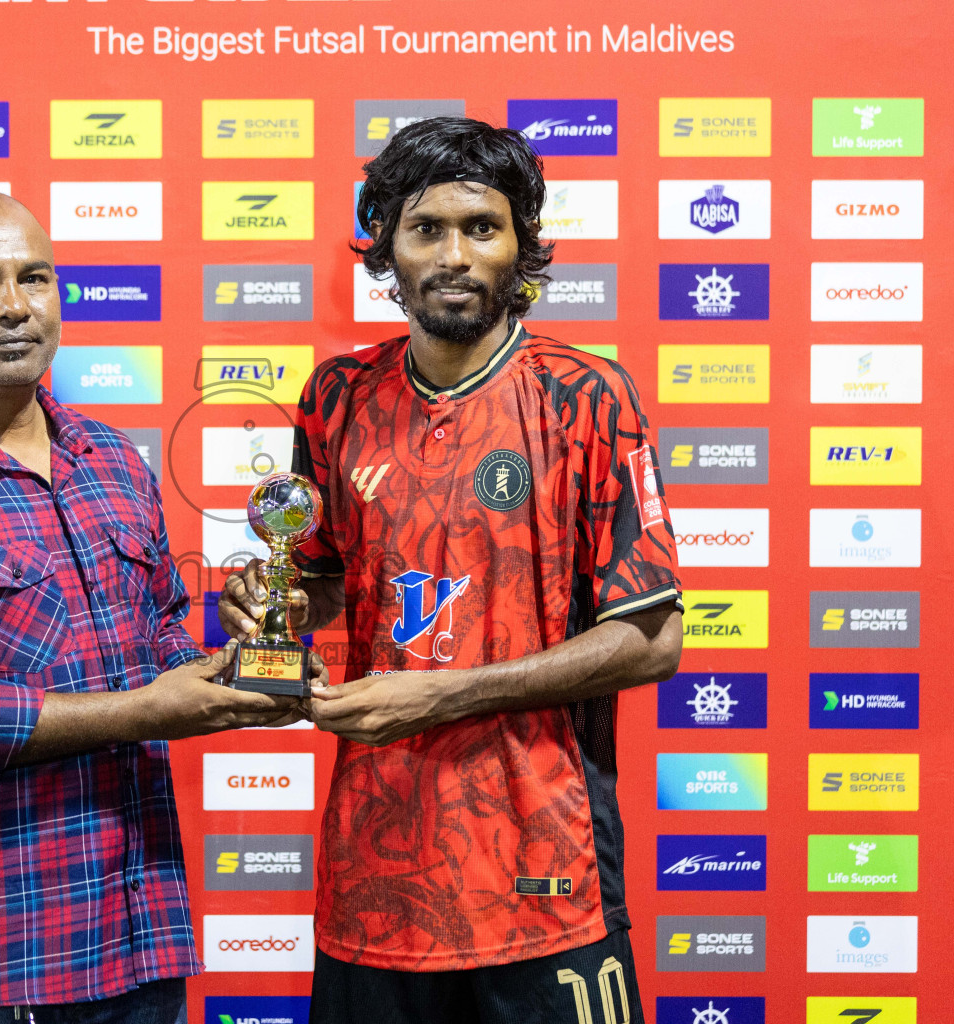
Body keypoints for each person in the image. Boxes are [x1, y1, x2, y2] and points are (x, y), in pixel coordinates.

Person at [219, 117, 683, 1024]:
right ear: (387, 245)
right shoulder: (336, 395)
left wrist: (442, 695)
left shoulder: (588, 395)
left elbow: (652, 638)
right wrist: (270, 603)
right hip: (373, 872)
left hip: (544, 871)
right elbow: (323, 580)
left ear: (523, 246)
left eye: (482, 227)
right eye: (426, 228)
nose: (455, 254)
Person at [0, 190, 312, 1024]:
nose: (14, 305)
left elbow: (154, 640)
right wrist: (149, 709)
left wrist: (238, 669)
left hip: (137, 942)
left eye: (33, 277)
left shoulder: (113, 460)